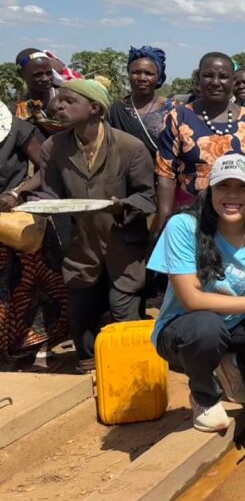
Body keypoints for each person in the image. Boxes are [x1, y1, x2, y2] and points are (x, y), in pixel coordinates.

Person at [149, 153, 245, 432]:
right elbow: (191, 299)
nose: (232, 195)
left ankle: (237, 367)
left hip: (240, 326)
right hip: (186, 327)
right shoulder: (185, 226)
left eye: (243, 188)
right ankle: (204, 396)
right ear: (210, 190)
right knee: (206, 328)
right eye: (223, 186)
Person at [37, 79, 155, 372]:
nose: (59, 106)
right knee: (82, 312)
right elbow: (50, 192)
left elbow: (147, 196)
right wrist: (34, 204)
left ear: (94, 108)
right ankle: (90, 368)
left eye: (68, 101)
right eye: (58, 101)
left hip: (123, 240)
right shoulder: (55, 146)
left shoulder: (130, 147)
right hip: (82, 241)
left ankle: (131, 373)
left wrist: (124, 206)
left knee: (124, 310)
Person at [156, 52, 245, 232]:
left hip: (238, 215)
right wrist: (164, 222)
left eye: (223, 77)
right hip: (190, 216)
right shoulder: (178, 117)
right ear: (198, 79)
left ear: (233, 81)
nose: (215, 82)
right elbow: (165, 174)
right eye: (208, 75)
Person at [0, 102, 67, 368]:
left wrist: (16, 193)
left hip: (16, 223)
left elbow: (46, 167)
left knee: (32, 288)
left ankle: (38, 346)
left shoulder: (14, 129)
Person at [108, 46, 176, 160]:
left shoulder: (174, 109)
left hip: (165, 176)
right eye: (136, 72)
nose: (142, 78)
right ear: (128, 74)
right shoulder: (116, 110)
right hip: (125, 174)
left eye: (149, 73)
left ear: (159, 77)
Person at [14, 49, 63, 137]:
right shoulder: (20, 109)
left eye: (49, 73)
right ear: (21, 74)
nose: (45, 78)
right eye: (38, 74)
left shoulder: (65, 99)